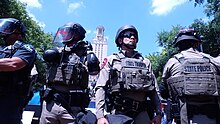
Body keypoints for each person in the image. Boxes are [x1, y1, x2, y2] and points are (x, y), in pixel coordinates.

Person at [95, 24, 162, 124]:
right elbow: (100, 87)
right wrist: (100, 116)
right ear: (120, 40)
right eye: (128, 35)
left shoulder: (145, 62)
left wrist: (159, 113)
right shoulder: (112, 60)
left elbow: (155, 91)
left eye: (134, 35)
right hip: (119, 112)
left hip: (142, 113)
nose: (132, 37)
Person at [39, 22, 100, 124]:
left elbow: (94, 71)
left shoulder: (84, 54)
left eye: (67, 32)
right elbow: (46, 57)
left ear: (76, 35)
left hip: (72, 107)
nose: (64, 35)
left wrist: (89, 54)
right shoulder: (57, 52)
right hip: (51, 103)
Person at [159, 28, 220, 124]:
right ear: (196, 43)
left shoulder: (172, 62)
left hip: (183, 117)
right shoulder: (212, 60)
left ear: (178, 45)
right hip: (212, 117)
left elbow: (163, 91)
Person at [0, 18, 36, 124]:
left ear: (17, 31)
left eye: (7, 27)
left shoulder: (26, 48)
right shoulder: (2, 47)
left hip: (10, 99)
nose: (4, 30)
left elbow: (14, 64)